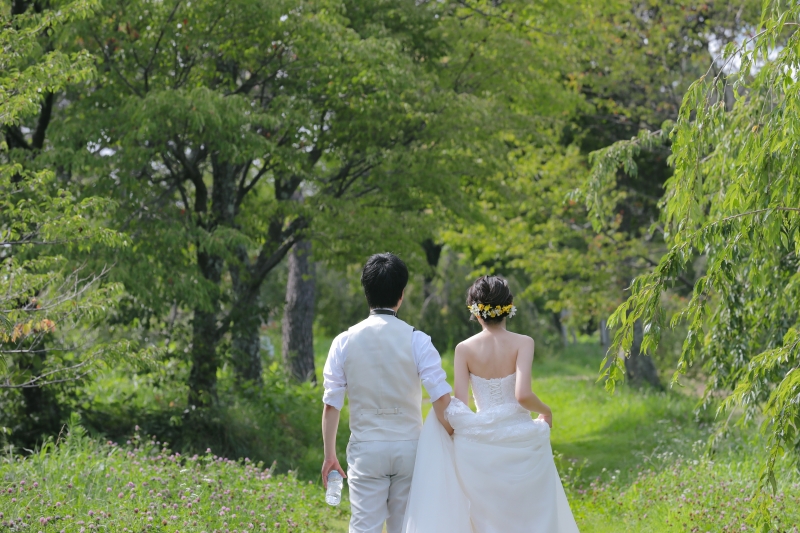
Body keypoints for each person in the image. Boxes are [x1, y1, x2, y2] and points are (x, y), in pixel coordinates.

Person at [403, 275, 580, 533]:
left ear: (475, 312)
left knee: (489, 518)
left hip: (481, 444)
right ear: (509, 307)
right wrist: (546, 411)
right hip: (520, 438)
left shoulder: (464, 349)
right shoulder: (524, 343)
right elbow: (523, 395)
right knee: (530, 513)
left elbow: (460, 406)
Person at [320, 253, 453, 533]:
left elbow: (332, 404)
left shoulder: (343, 342)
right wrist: (455, 436)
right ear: (401, 294)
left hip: (366, 447)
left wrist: (329, 455)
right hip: (410, 447)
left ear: (366, 292)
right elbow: (441, 398)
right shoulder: (418, 340)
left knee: (364, 527)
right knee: (404, 527)